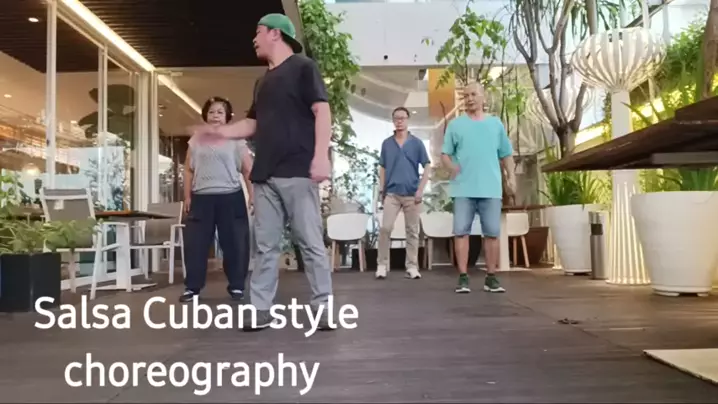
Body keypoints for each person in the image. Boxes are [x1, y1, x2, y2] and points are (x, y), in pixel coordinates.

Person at [188, 13, 334, 331]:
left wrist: (321, 156)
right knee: (266, 247)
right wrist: (220, 132)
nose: (253, 39)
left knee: (310, 243)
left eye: (258, 32)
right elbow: (252, 123)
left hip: (297, 171)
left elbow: (322, 110)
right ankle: (260, 309)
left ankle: (323, 308)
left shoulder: (303, 68)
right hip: (265, 175)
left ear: (275, 34)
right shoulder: (262, 81)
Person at [440, 82, 515, 294]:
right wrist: (451, 167)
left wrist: (511, 177)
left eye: (473, 94)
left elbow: (506, 154)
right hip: (463, 188)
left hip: (490, 187)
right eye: (466, 96)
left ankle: (491, 277)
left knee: (492, 233)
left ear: (483, 97)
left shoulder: (495, 124)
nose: (470, 99)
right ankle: (463, 277)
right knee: (461, 232)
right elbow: (445, 154)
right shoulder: (456, 125)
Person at [180, 96, 254, 303]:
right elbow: (188, 170)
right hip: (201, 198)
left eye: (220, 112)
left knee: (235, 244)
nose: (215, 116)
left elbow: (247, 170)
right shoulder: (196, 140)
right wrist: (187, 196)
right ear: (206, 115)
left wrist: (252, 195)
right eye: (211, 112)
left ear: (227, 116)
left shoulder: (236, 139)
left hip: (230, 197)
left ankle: (237, 286)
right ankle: (192, 288)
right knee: (195, 245)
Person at [376, 106, 431, 280]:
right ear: (393, 121)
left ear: (407, 120)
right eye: (396, 118)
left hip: (411, 193)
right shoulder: (387, 143)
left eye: (402, 118)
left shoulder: (416, 143)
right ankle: (382, 265)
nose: (399, 121)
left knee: (412, 231)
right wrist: (381, 189)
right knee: (385, 228)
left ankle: (412, 266)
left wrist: (421, 189)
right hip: (391, 193)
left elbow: (427, 165)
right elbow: (383, 167)